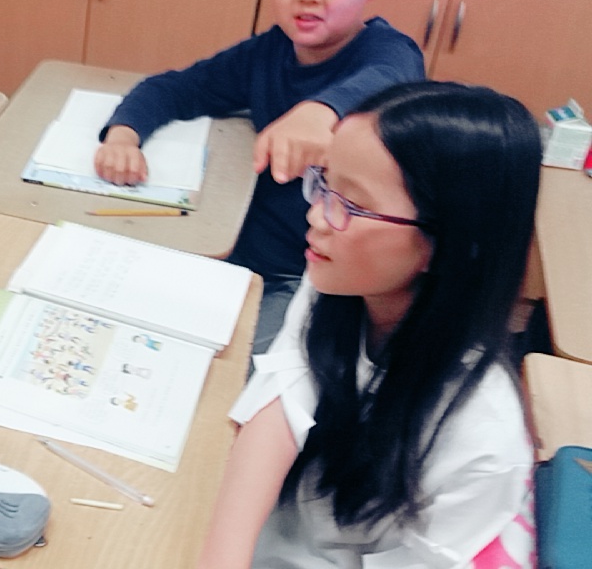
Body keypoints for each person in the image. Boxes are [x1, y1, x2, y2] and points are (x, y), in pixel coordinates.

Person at [198, 81, 541, 568]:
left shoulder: (483, 439)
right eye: (324, 183)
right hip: (277, 534)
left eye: (352, 204)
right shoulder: (338, 280)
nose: (317, 216)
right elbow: (282, 402)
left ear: (448, 242)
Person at [95, 0, 425, 357]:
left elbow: (388, 80)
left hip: (311, 280)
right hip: (232, 249)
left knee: (231, 374)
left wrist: (321, 112)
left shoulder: (388, 53)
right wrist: (123, 135)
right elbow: (176, 88)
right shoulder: (267, 53)